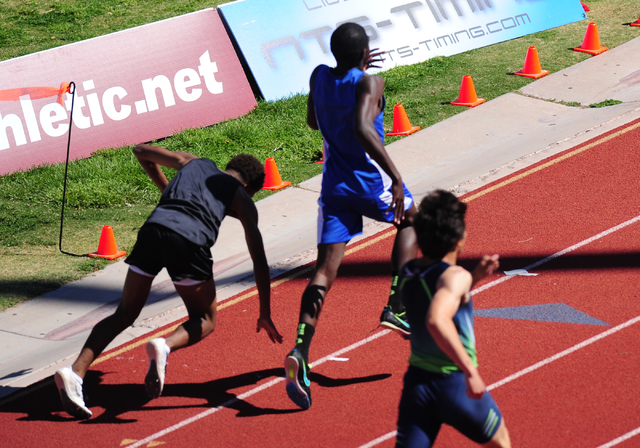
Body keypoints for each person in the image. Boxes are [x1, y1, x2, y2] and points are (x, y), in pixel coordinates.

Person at [54, 144, 283, 420]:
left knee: (125, 312)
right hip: (189, 241)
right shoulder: (241, 198)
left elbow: (141, 152)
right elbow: (259, 260)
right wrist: (265, 312)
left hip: (153, 230)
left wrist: (166, 190)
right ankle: (164, 346)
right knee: (206, 318)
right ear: (248, 187)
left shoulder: (193, 161)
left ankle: (75, 373)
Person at [284, 22, 418, 410]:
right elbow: (363, 127)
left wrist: (352, 74)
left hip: (333, 188)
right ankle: (397, 306)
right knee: (412, 220)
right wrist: (395, 178)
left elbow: (313, 121)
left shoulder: (319, 76)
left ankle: (300, 352)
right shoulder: (371, 83)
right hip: (367, 181)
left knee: (324, 272)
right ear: (365, 53)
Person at [393, 190, 516, 448]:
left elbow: (436, 291)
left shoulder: (409, 271)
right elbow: (437, 318)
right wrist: (470, 371)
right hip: (454, 384)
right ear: (460, 241)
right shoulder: (455, 277)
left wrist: (474, 278)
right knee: (499, 446)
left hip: (417, 385)